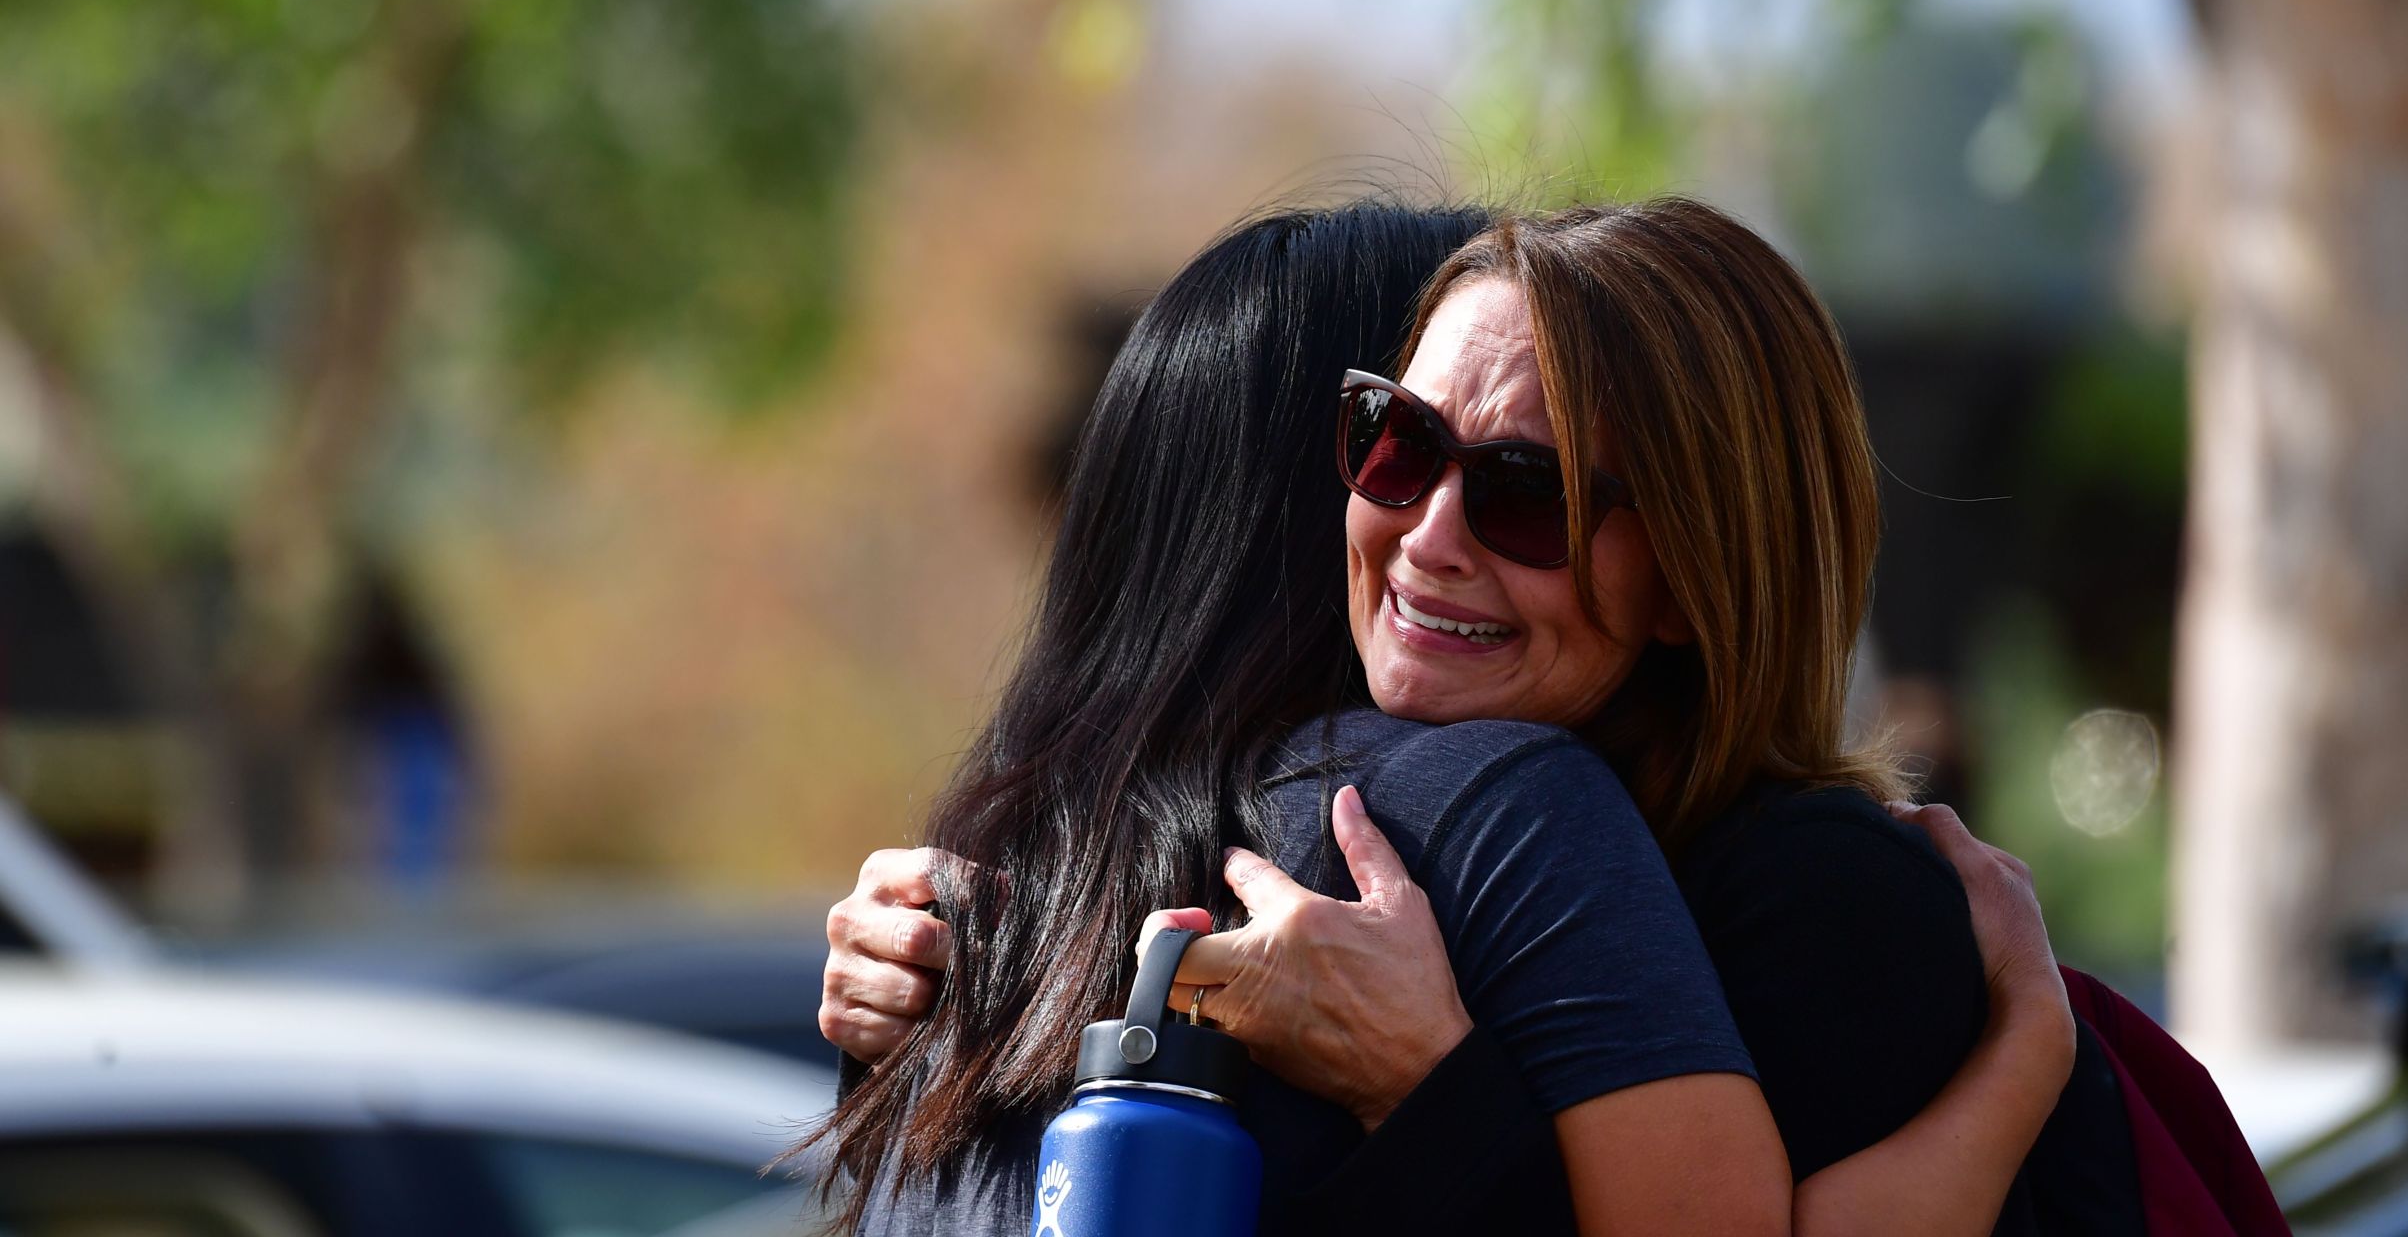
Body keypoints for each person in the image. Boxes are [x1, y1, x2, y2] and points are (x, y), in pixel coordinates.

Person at [813, 199, 2081, 1236]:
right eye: (1393, 442)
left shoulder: (1805, 895)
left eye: (1530, 495)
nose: (1429, 537)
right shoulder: (1337, 837)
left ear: (1698, 583)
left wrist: (2025, 1057)